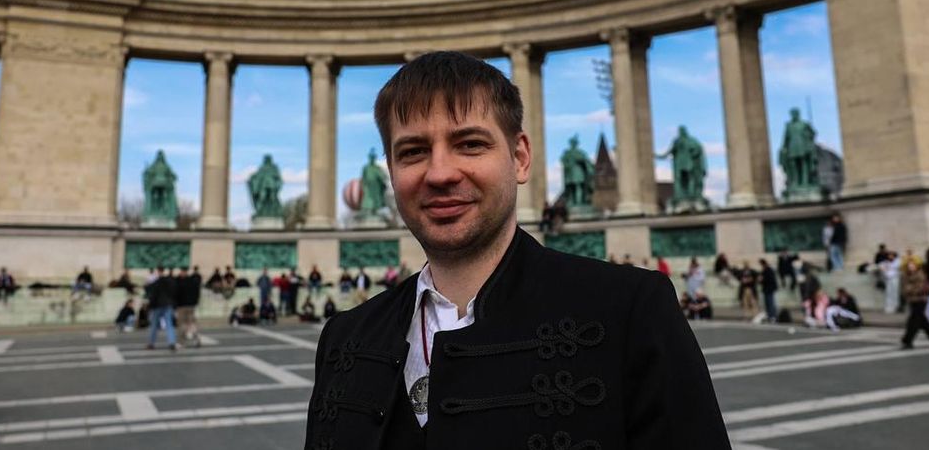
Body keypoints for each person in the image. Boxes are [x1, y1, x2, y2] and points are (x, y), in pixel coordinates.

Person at [305, 51, 728, 448]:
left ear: (520, 157)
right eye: (413, 151)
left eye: (470, 144)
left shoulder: (632, 311)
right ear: (392, 173)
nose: (439, 173)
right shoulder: (344, 338)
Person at [144, 266, 178, 351]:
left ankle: (151, 343)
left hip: (157, 306)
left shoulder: (156, 282)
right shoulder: (169, 281)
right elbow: (174, 292)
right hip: (168, 305)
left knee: (154, 325)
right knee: (169, 324)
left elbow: (151, 293)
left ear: (157, 271)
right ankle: (171, 342)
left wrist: (150, 305)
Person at [174, 267, 201, 348]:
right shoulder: (192, 281)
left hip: (182, 305)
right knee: (191, 323)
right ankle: (197, 339)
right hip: (190, 305)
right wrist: (195, 302)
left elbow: (176, 293)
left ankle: (181, 342)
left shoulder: (179, 282)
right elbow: (197, 292)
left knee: (182, 324)